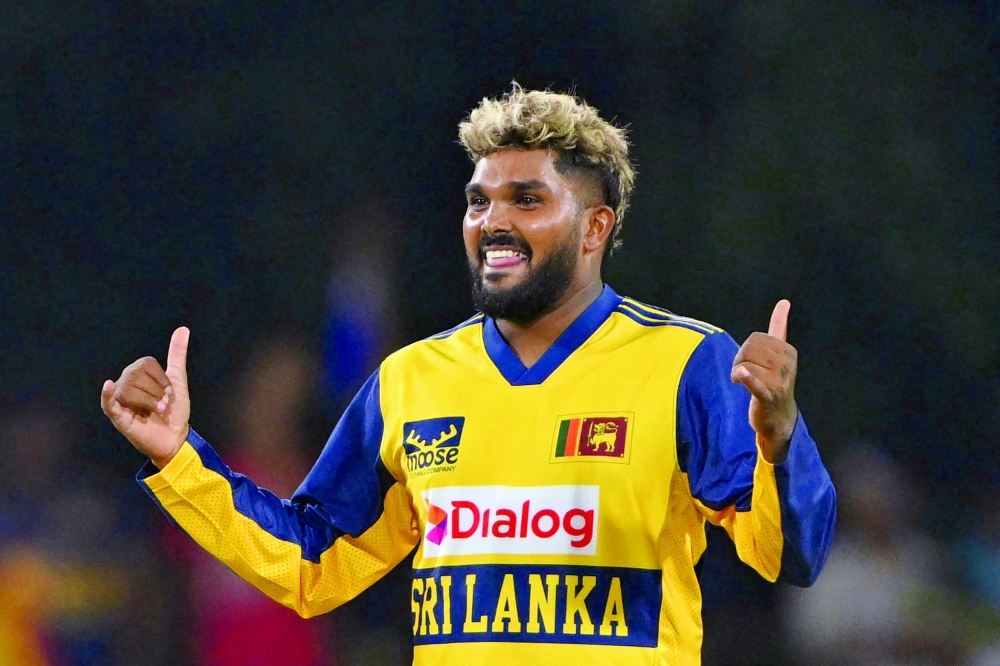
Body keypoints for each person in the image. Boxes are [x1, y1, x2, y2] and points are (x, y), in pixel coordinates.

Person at [100, 84, 837, 665]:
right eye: (479, 200)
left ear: (596, 227)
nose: (492, 221)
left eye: (527, 199)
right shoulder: (410, 380)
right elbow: (313, 565)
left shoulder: (685, 362)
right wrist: (179, 458)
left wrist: (778, 438)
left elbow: (787, 554)